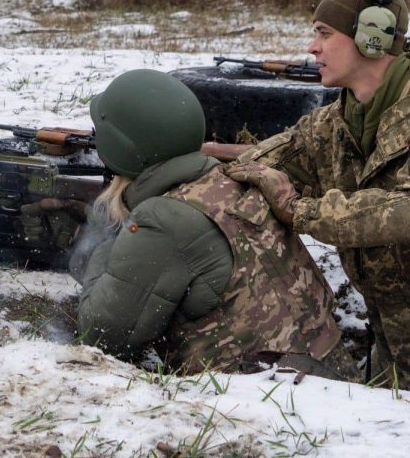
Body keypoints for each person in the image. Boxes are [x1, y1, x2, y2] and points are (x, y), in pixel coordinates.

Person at [22, 68, 359, 381]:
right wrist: (86, 234)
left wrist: (98, 243)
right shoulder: (230, 179)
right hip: (328, 378)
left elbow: (103, 336)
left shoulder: (164, 220)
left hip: (264, 398)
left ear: (120, 150)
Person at [225, 0, 410, 396]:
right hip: (396, 344)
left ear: (373, 37)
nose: (312, 47)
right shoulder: (338, 122)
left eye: (324, 33)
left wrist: (300, 211)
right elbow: (263, 160)